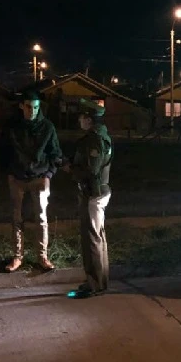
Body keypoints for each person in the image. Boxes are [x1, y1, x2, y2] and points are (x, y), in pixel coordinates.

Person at [0, 91, 63, 272]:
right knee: (17, 218)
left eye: (35, 107)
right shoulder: (12, 126)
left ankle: (42, 256)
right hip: (17, 178)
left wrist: (49, 174)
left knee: (41, 218)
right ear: (21, 106)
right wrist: (9, 172)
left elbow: (55, 153)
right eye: (28, 107)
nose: (32, 111)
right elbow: (2, 150)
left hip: (40, 177)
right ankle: (17, 256)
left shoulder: (47, 127)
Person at [64, 99, 113, 299]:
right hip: (99, 191)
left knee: (92, 238)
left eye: (82, 117)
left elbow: (91, 170)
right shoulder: (101, 136)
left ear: (89, 119)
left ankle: (94, 284)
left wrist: (70, 169)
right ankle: (100, 281)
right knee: (98, 236)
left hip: (93, 193)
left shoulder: (94, 139)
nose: (79, 120)